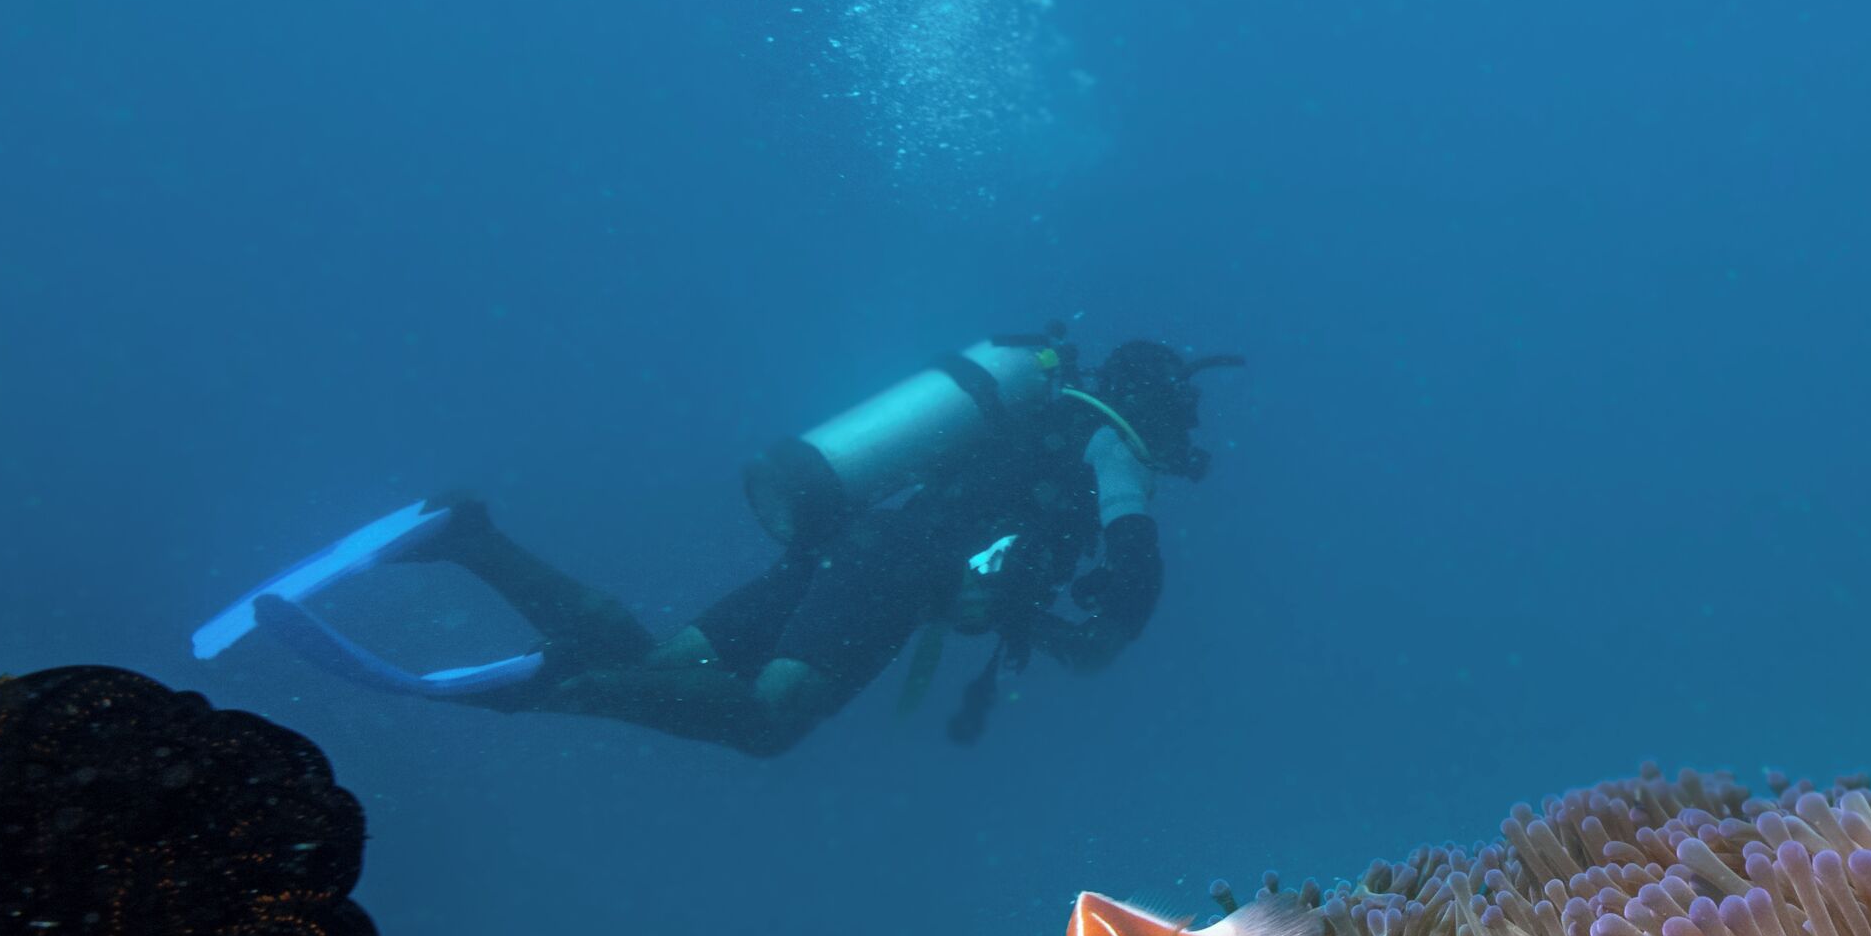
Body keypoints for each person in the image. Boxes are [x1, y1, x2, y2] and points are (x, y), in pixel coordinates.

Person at [206, 331, 1233, 756]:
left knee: (669, 667)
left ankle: (473, 541)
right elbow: (1132, 569)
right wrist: (1099, 630)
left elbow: (968, 535)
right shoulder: (1107, 444)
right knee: (771, 718)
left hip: (846, 545)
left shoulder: (1020, 414)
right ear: (1152, 405)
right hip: (888, 571)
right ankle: (550, 683)